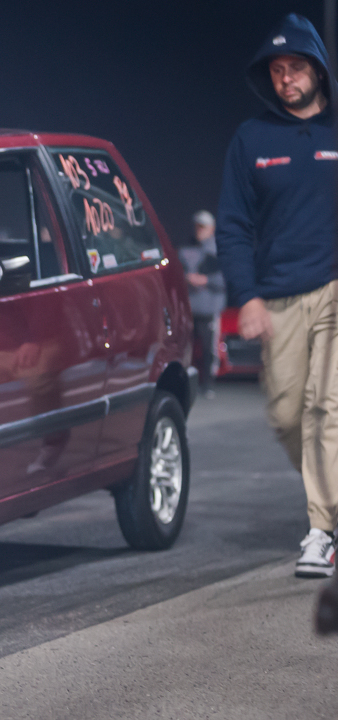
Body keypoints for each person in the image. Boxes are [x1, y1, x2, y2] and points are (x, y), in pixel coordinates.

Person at [216, 14, 338, 578]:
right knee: (288, 415)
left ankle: (322, 531)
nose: (286, 78)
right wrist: (247, 296)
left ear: (319, 70)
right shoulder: (252, 138)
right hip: (278, 295)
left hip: (334, 288)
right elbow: (233, 226)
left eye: (296, 68)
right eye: (277, 70)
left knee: (325, 410)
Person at [179, 210, 226, 399]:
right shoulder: (185, 250)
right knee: (185, 348)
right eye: (197, 226)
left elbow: (226, 280)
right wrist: (187, 278)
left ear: (211, 229)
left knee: (208, 349)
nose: (199, 230)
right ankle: (186, 383)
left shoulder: (219, 250)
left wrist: (205, 280)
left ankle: (207, 384)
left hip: (209, 309)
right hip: (190, 309)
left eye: (203, 227)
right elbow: (178, 273)